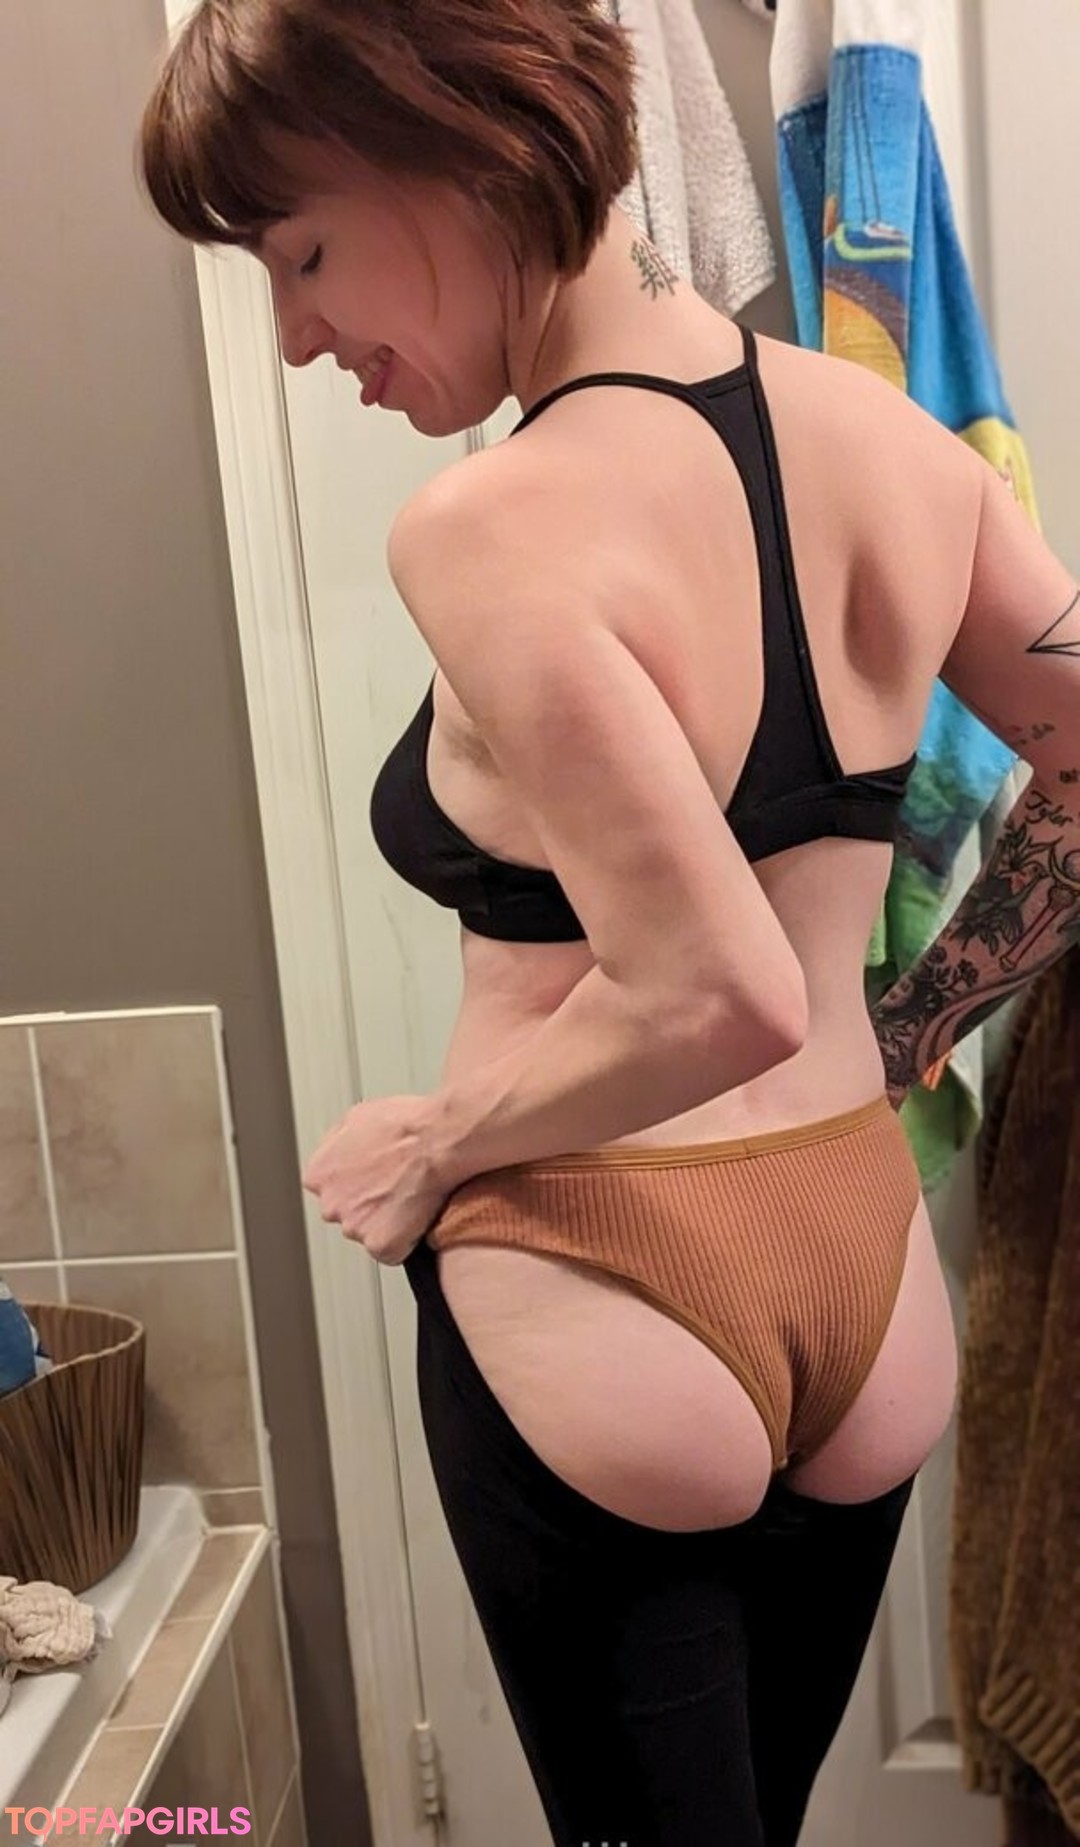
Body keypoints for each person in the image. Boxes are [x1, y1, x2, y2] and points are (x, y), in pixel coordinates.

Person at [141, 4, 1080, 1842]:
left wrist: (441, 1140)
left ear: (461, 150)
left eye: (302, 254)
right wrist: (908, 1030)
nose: (298, 338)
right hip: (861, 1262)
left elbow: (710, 987)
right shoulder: (900, 452)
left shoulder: (490, 523)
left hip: (604, 1272)